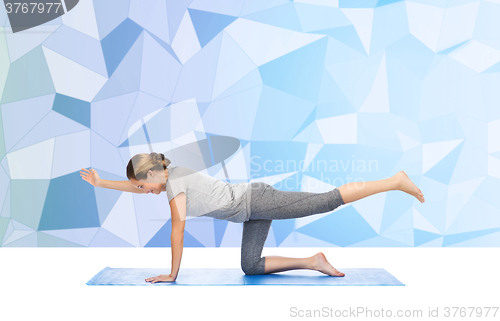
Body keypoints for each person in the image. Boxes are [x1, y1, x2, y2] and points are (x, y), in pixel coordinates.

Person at [80, 152, 425, 284]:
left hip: (258, 201)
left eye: (145, 186)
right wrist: (101, 182)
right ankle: (313, 261)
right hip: (249, 211)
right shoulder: (169, 174)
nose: (145, 192)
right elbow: (136, 184)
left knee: (326, 202)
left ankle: (394, 181)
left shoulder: (174, 190)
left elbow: (177, 232)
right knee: (250, 264)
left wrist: (172, 274)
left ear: (155, 173)